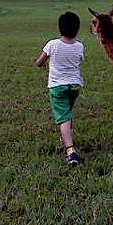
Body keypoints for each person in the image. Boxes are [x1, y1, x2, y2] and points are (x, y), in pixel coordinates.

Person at [36, 11, 85, 167]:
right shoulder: (79, 46)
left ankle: (70, 151)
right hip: (75, 86)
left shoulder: (52, 44)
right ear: (77, 29)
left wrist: (44, 64)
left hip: (58, 88)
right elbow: (79, 60)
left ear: (60, 28)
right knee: (67, 113)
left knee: (63, 117)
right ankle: (66, 138)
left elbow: (39, 62)